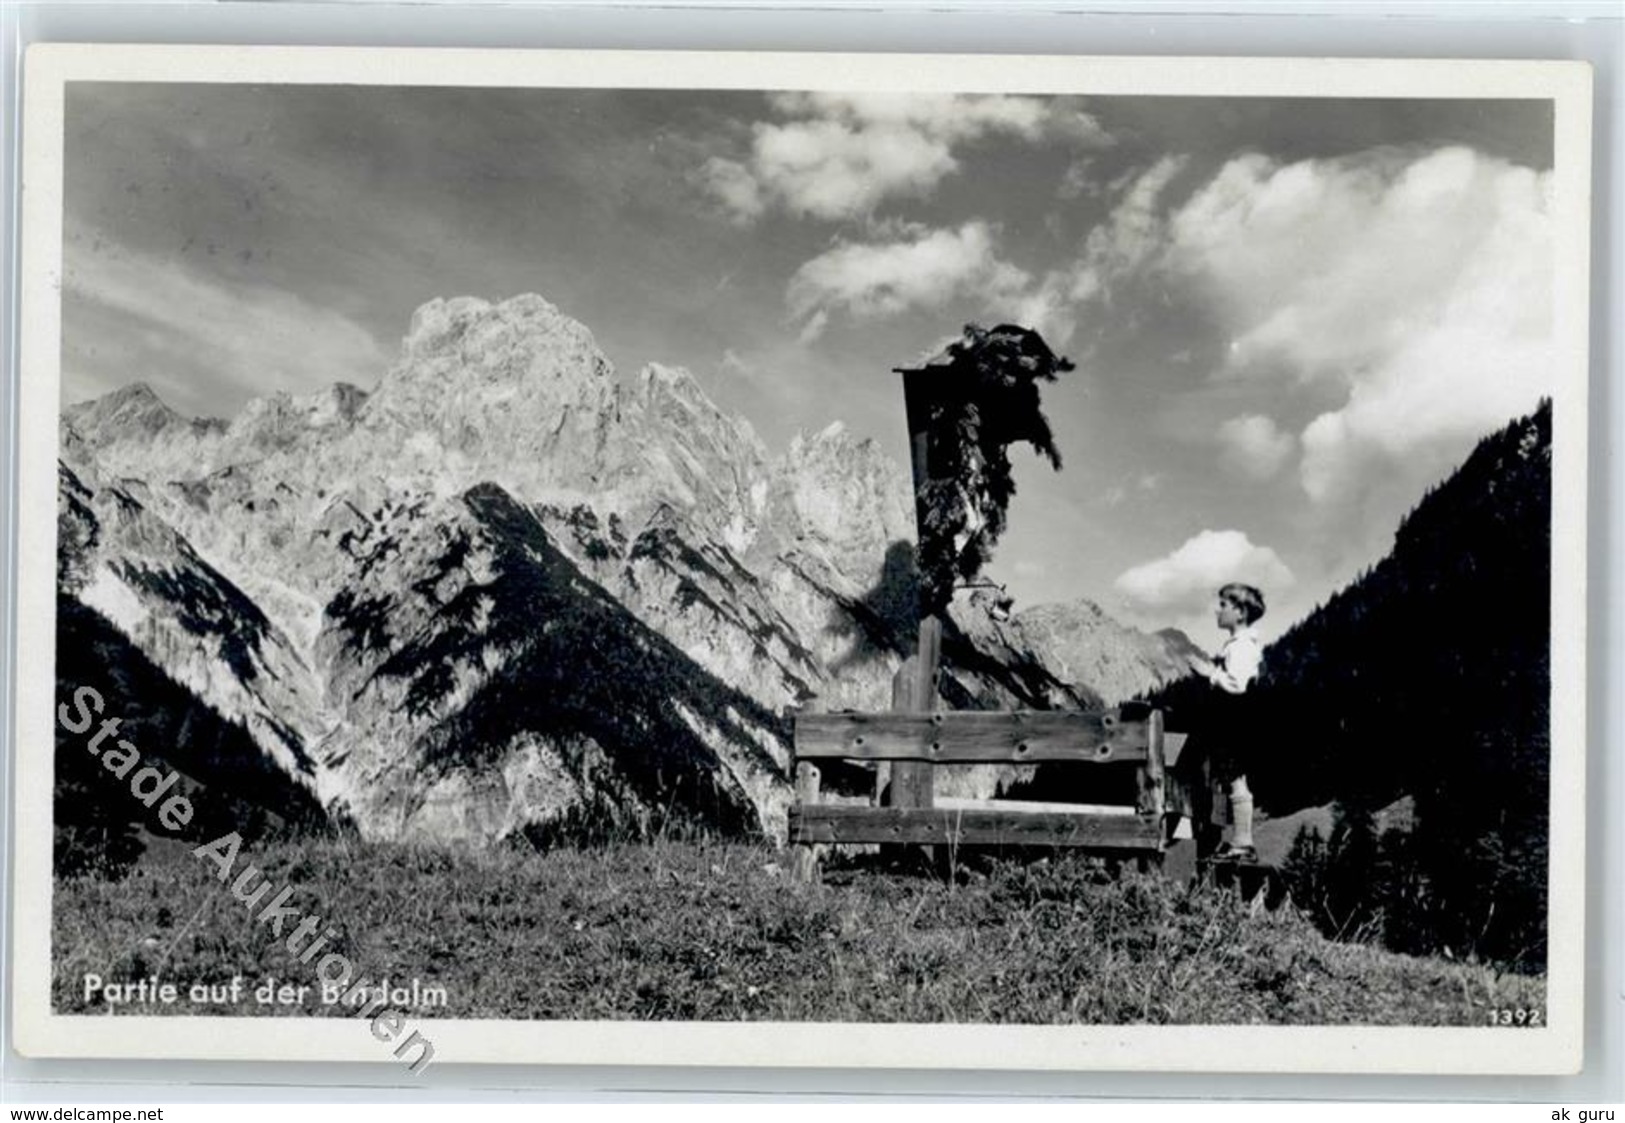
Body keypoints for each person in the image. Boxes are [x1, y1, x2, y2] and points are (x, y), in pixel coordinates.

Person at [1185, 582, 1266, 863]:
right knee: (1234, 779)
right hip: (1235, 722)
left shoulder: (1242, 646)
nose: (1217, 610)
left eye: (1223, 605)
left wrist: (1211, 674)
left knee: (1235, 779)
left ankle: (1243, 842)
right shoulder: (1239, 644)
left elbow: (1238, 684)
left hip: (1235, 723)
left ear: (1240, 612)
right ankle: (1241, 841)